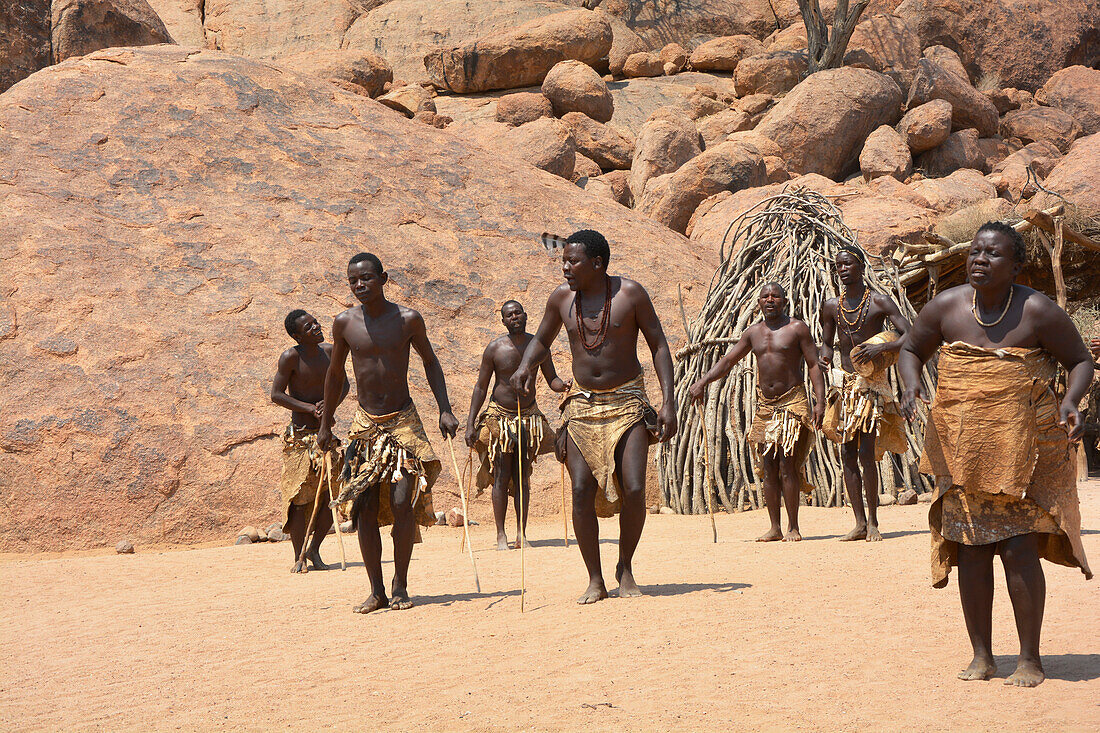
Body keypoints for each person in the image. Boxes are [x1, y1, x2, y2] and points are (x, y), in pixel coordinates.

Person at [899, 221, 1093, 687]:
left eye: (993, 254)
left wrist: (1070, 400)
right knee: (970, 551)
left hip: (1025, 453)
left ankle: (1030, 659)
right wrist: (909, 386)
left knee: (1018, 550)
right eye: (976, 252)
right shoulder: (946, 306)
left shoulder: (1037, 310)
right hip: (963, 451)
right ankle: (982, 656)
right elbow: (911, 348)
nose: (980, 260)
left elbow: (1080, 360)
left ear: (1016, 265)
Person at [511, 229, 677, 604]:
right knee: (582, 489)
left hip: (628, 400)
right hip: (582, 404)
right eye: (563, 260)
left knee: (634, 487)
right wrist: (525, 366)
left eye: (573, 261)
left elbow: (659, 345)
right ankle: (595, 578)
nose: (565, 267)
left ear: (597, 264)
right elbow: (541, 340)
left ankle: (626, 567)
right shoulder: (560, 299)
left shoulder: (630, 294)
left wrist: (668, 402)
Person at [317, 253, 460, 614]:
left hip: (403, 421)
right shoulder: (344, 323)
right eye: (353, 280)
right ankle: (376, 590)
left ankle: (400, 583)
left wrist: (444, 408)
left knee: (400, 501)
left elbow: (430, 361)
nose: (359, 285)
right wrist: (325, 421)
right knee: (363, 508)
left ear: (383, 278)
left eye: (366, 278)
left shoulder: (408, 319)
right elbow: (335, 375)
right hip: (365, 424)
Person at [688, 283, 826, 542]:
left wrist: (819, 401)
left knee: (787, 464)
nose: (770, 300)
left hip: (792, 401)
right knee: (769, 465)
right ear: (759, 302)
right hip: (766, 406)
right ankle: (774, 527)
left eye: (775, 296)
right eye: (765, 296)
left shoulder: (797, 328)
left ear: (784, 301)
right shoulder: (753, 333)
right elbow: (729, 361)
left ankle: (793, 527)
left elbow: (813, 365)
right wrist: (703, 381)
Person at [819, 245, 911, 541]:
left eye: (847, 264)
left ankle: (873, 522)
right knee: (846, 454)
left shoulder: (881, 302)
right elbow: (826, 342)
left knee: (866, 453)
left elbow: (911, 334)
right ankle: (858, 522)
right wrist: (823, 357)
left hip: (871, 386)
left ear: (860, 266)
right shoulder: (831, 306)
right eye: (838, 266)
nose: (842, 269)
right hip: (844, 386)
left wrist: (883, 346)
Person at [466, 300, 568, 550]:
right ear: (503, 321)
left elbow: (551, 378)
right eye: (509, 315)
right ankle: (501, 534)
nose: (514, 317)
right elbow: (481, 387)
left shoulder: (539, 347)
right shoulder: (494, 349)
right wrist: (470, 423)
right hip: (500, 417)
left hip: (528, 417)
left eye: (518, 313)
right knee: (501, 474)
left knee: (522, 477)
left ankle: (521, 533)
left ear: (525, 315)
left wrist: (563, 386)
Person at [271, 310, 348, 572]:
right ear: (297, 336)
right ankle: (299, 555)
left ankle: (314, 548)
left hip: (325, 435)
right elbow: (277, 394)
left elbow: (344, 384)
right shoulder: (290, 357)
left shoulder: (329, 351)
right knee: (298, 500)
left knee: (328, 495)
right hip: (300, 438)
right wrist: (308, 408)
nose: (316, 327)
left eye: (315, 322)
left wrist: (330, 407)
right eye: (308, 326)